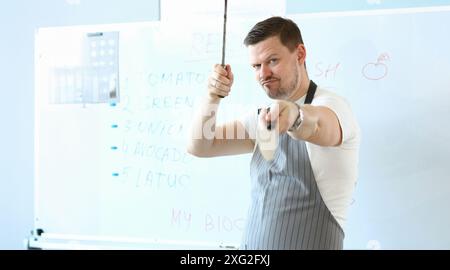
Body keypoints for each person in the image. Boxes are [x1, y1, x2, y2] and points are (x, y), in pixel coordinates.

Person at [187, 16, 360, 250]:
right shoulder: (262, 117)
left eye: (273, 60)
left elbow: (318, 125)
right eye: (256, 66)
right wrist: (212, 97)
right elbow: (201, 146)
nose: (263, 74)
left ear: (300, 54)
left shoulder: (333, 106)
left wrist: (294, 116)